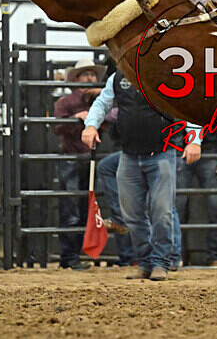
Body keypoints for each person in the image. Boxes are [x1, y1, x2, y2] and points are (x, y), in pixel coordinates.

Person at [81, 72, 202, 281]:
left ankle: (159, 262)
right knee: (133, 214)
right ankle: (148, 262)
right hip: (133, 154)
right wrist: (91, 124)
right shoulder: (120, 77)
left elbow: (189, 108)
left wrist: (194, 140)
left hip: (158, 152)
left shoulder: (169, 76)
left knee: (160, 211)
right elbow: (102, 103)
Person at [52, 59, 112, 270]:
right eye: (85, 74)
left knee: (83, 208)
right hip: (72, 156)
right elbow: (57, 126)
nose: (90, 78)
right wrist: (76, 118)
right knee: (72, 209)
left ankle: (73, 256)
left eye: (92, 74)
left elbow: (113, 116)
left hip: (87, 158)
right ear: (76, 79)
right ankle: (70, 257)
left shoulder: (98, 100)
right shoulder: (67, 102)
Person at [175, 130, 217, 267]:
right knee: (176, 208)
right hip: (186, 150)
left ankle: (212, 256)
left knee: (215, 207)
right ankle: (176, 256)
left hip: (203, 151)